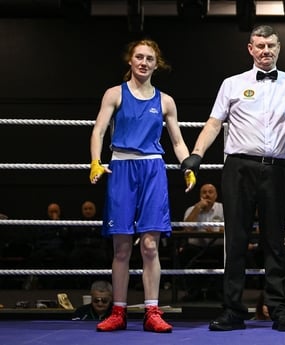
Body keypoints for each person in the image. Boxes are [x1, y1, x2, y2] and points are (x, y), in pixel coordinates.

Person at [180, 24, 285, 332]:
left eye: (271, 46)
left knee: (275, 242)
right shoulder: (232, 83)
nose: (265, 51)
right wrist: (195, 155)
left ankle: (279, 310)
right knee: (235, 240)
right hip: (238, 168)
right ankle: (233, 310)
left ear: (279, 48)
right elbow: (213, 123)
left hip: (279, 169)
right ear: (250, 49)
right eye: (259, 46)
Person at [89, 39, 195, 333]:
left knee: (150, 245)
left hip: (152, 169)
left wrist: (187, 166)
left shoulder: (166, 101)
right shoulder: (114, 94)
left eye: (149, 58)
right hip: (121, 166)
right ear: (130, 61)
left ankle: (152, 310)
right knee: (121, 246)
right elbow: (98, 130)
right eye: (139, 57)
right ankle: (119, 311)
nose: (144, 62)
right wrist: (96, 161)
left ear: (155, 64)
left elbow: (176, 141)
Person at [180, 183, 224, 301]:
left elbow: (231, 227)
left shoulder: (223, 208)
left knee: (226, 254)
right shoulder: (192, 209)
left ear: (216, 195)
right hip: (196, 248)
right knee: (186, 253)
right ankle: (193, 292)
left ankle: (217, 292)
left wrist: (217, 231)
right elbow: (186, 229)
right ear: (200, 195)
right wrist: (198, 208)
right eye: (204, 192)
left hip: (217, 247)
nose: (207, 195)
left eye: (210, 192)